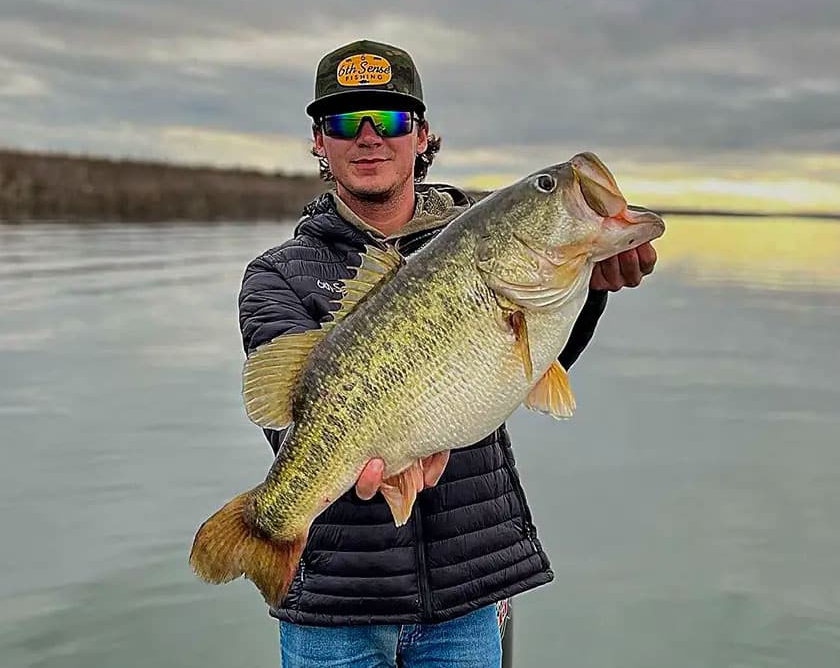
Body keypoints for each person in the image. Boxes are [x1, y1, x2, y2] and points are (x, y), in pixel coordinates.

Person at [238, 39, 658, 668]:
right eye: (346, 121)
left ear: (424, 134)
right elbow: (291, 423)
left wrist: (590, 289)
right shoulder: (277, 275)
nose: (370, 136)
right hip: (335, 604)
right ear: (319, 142)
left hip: (468, 593)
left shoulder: (471, 233)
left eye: (393, 118)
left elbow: (528, 364)